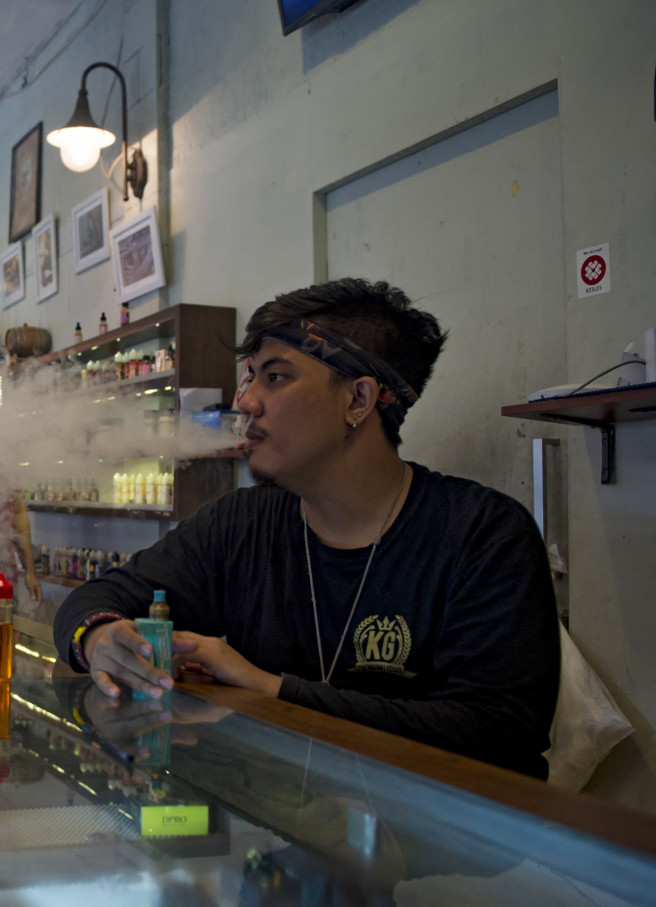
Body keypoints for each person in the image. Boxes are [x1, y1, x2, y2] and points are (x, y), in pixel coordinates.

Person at [54, 278, 560, 778]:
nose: (246, 401)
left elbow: (499, 733)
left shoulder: (484, 535)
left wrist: (269, 688)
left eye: (274, 378)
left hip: (438, 850)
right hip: (278, 843)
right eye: (249, 376)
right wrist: (100, 638)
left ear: (358, 400)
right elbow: (96, 601)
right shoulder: (240, 523)